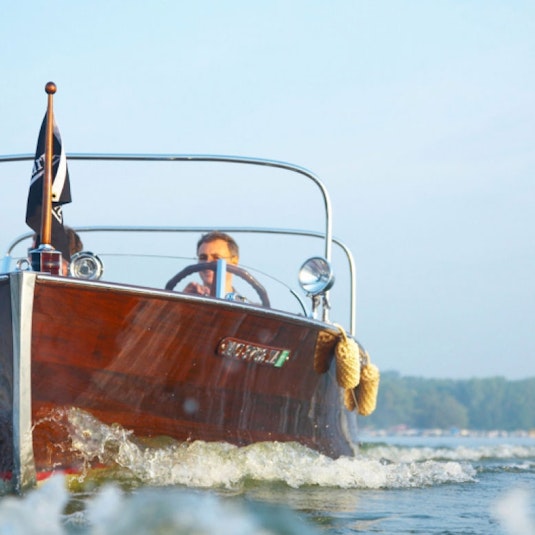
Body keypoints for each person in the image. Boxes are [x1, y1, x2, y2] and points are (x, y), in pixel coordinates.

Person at [183, 231, 239, 296]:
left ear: (234, 261)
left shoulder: (245, 305)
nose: (207, 263)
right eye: (203, 257)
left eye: (216, 257)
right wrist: (180, 302)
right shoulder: (185, 301)